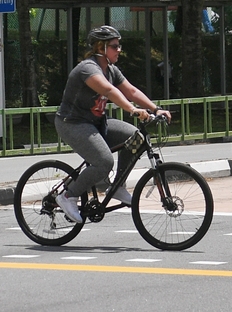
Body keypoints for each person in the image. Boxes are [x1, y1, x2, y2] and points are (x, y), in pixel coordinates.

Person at [53, 26, 168, 224]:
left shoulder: (111, 70)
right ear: (101, 47)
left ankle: (118, 186)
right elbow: (109, 90)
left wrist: (155, 109)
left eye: (119, 45)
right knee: (104, 162)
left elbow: (130, 91)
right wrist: (133, 110)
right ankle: (67, 196)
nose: (119, 50)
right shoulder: (88, 68)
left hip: (96, 123)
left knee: (136, 138)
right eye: (115, 46)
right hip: (72, 123)